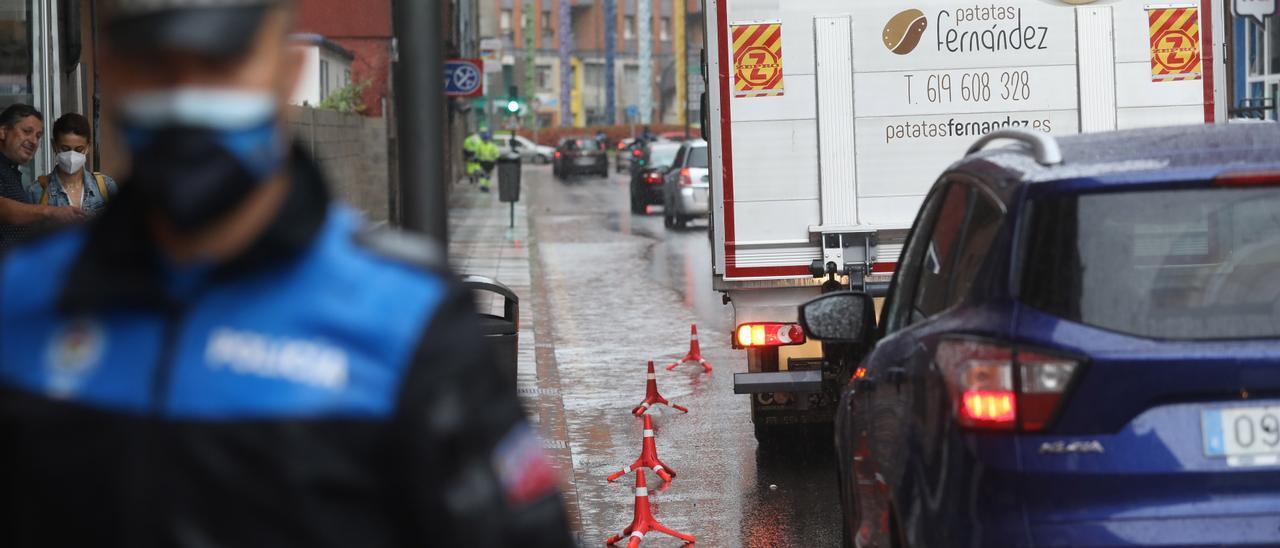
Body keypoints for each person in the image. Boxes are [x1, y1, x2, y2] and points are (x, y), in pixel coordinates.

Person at [0, 1, 573, 547]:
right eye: (156, 66)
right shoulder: (28, 302)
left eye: (220, 64)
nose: (186, 99)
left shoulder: (405, 318)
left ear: (285, 69)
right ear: (116, 76)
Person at [0, 104, 84, 250]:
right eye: (27, 131)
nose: (33, 141)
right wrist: (51, 211)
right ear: (2, 131)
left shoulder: (12, 172)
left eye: (38, 136)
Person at [33, 113, 118, 216]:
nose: (72, 155)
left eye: (79, 150)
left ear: (88, 147)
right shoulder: (37, 192)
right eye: (65, 149)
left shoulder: (106, 187)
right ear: (54, 146)